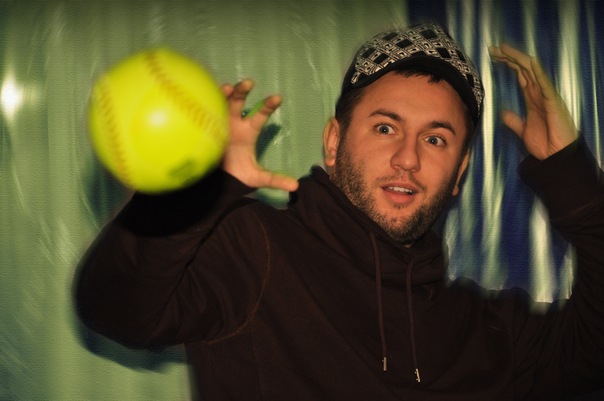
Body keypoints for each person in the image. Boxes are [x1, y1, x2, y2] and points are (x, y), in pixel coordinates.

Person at [75, 22, 604, 400]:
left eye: (435, 139)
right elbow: (115, 307)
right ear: (333, 142)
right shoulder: (255, 252)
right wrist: (192, 196)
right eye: (385, 127)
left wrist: (572, 175)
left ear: (461, 171)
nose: (408, 158)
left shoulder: (487, 332)